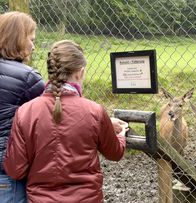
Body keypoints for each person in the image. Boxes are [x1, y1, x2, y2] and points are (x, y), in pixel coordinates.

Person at [4, 40, 127, 203]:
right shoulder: (95, 111)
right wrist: (122, 135)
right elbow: (115, 153)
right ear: (80, 72)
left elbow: (15, 170)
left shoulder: (25, 112)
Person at [0, 11, 45, 203]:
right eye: (31, 39)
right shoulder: (28, 78)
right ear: (18, 39)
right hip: (7, 171)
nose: (33, 46)